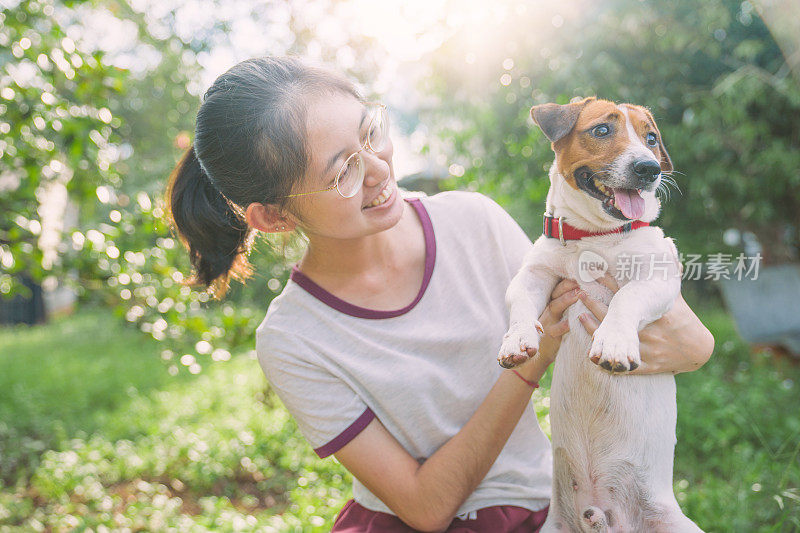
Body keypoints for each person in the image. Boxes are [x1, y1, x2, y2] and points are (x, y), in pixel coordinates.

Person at [165, 56, 715, 532]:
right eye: (342, 173)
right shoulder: (294, 338)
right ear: (274, 216)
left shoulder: (473, 223)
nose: (380, 170)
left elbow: (676, 336)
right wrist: (532, 361)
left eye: (371, 131)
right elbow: (426, 510)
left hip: (537, 509)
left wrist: (692, 344)